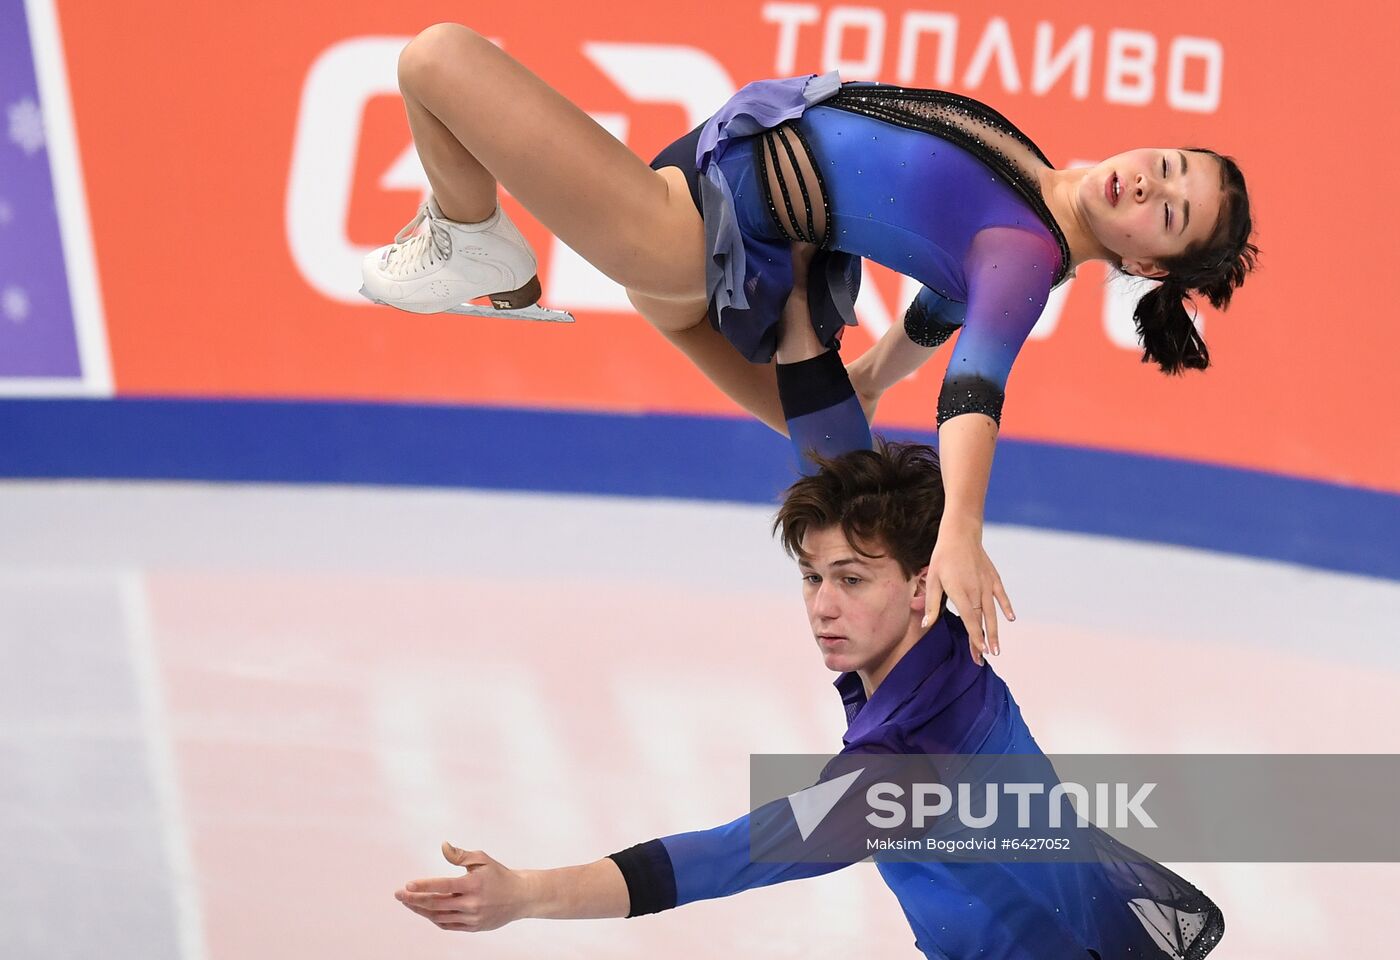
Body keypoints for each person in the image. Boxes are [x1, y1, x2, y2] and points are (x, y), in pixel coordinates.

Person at [359, 23, 1259, 663]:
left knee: (438, 59)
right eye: (1170, 166)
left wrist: (963, 528)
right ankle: (876, 576)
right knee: (846, 485)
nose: (1148, 186)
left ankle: (467, 232)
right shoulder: (1035, 189)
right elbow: (938, 314)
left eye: (1168, 215)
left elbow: (973, 391)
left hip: (690, 233)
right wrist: (867, 373)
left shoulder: (1028, 256)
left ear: (1148, 266)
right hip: (713, 224)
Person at [390, 438, 1225, 958]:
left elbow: (722, 859)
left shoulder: (896, 774)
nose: (823, 604)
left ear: (919, 584)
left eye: (852, 581)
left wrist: (526, 895)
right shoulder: (935, 639)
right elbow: (831, 428)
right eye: (812, 578)